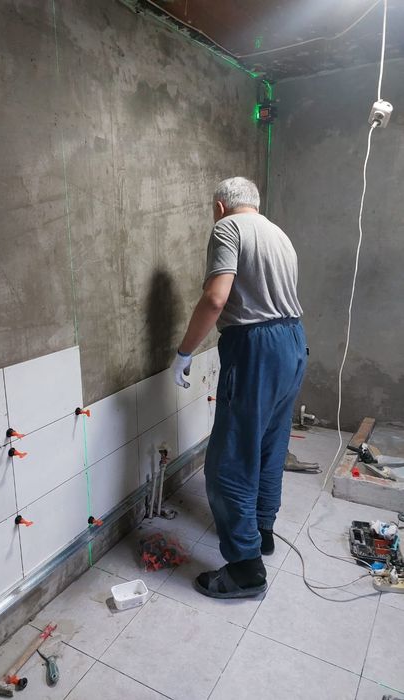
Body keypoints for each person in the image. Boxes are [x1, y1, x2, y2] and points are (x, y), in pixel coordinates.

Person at [171, 176, 306, 599]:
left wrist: (185, 352)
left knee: (228, 460)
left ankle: (246, 569)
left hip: (255, 348)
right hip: (293, 343)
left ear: (219, 206)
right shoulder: (278, 234)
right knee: (268, 445)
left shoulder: (227, 228)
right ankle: (261, 532)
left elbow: (216, 298)